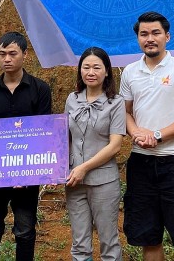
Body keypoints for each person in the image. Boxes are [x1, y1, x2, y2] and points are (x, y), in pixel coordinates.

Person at [119, 11, 174, 261]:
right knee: (148, 233)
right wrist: (136, 132)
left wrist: (157, 135)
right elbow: (125, 112)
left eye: (156, 33)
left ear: (167, 36)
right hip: (141, 162)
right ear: (138, 39)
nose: (150, 38)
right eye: (144, 34)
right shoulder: (130, 72)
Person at [0, 31, 52, 261]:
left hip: (27, 177)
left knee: (25, 230)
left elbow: (43, 132)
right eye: (2, 54)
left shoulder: (40, 89)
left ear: (25, 55)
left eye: (12, 53)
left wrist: (25, 173)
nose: (6, 59)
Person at [65, 47, 125, 261]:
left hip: (103, 182)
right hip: (74, 183)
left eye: (96, 67)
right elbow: (64, 138)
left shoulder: (116, 103)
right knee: (80, 244)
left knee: (109, 243)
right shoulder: (72, 100)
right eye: (86, 67)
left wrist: (83, 168)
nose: (91, 72)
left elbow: (115, 145)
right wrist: (56, 169)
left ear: (106, 71)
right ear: (80, 70)